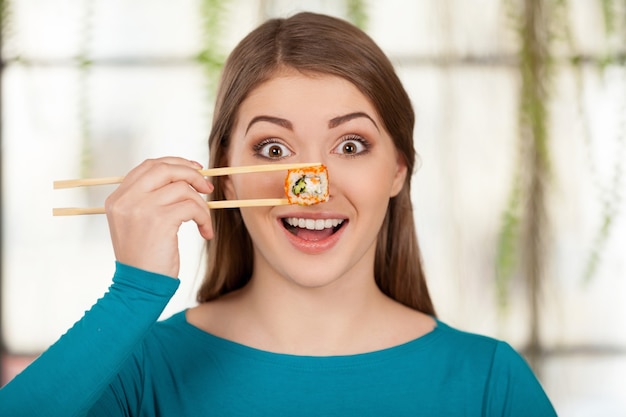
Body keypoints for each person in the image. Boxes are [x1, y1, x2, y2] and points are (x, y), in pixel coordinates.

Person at [0, 12, 557, 416]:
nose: (309, 186)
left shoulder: (490, 384)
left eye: (351, 145)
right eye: (272, 148)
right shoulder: (138, 371)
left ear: (398, 171)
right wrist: (133, 294)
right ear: (225, 170)